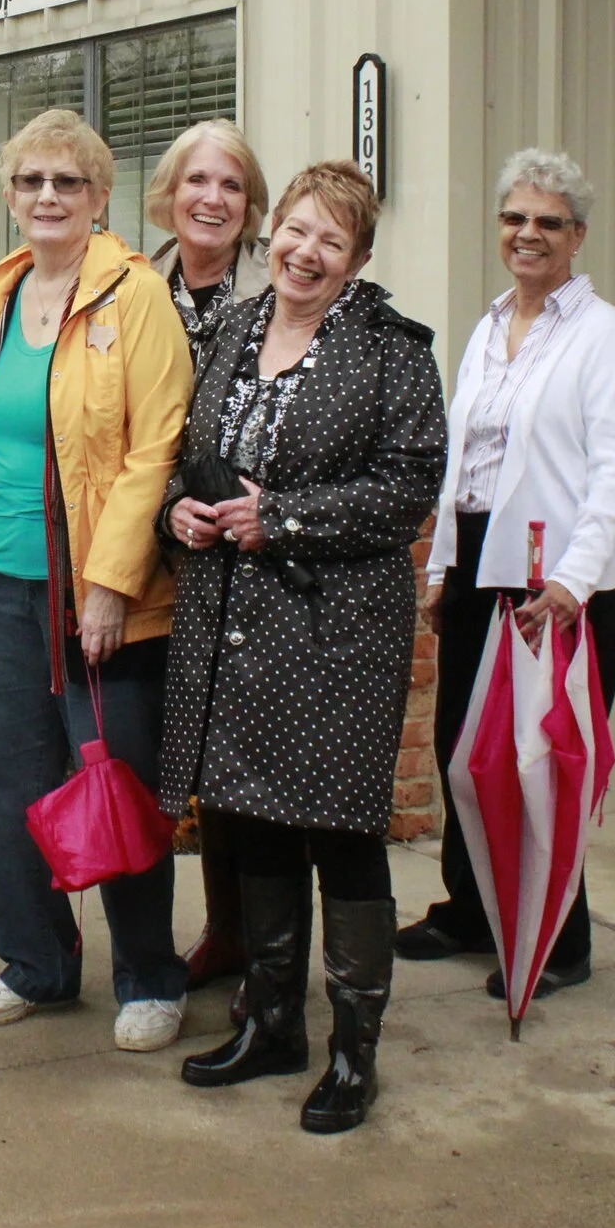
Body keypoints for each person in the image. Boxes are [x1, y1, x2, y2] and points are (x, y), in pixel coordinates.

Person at [158, 162, 446, 1133]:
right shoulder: (234, 329)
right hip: (236, 625)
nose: (306, 252)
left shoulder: (391, 349)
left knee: (341, 834)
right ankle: (271, 1021)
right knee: (260, 821)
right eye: (295, 229)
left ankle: (353, 1055)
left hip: (337, 631)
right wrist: (183, 512)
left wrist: (275, 518)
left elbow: (407, 486)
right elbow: (191, 458)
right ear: (270, 231)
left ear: (358, 258)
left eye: (332, 239)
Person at [0, 108, 194, 1052]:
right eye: (30, 182)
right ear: (8, 195)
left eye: (69, 182)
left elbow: (154, 445)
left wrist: (108, 582)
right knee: (12, 782)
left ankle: (147, 975)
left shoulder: (134, 296)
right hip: (4, 585)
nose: (47, 197)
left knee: (116, 779)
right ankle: (36, 964)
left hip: (98, 591)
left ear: (101, 197)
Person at [395, 148, 615, 1002]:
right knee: (466, 754)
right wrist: (440, 564)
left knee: (542, 760)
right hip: (480, 562)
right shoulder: (489, 323)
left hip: (560, 584)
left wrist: (572, 583)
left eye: (547, 221)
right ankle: (471, 909)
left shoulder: (605, 338)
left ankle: (560, 936)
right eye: (515, 217)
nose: (527, 234)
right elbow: (462, 458)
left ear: (577, 235)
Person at [143, 118, 272, 993]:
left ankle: (254, 938)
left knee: (245, 761)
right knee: (172, 750)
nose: (212, 199)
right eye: (198, 182)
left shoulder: (281, 285)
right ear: (170, 194)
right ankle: (213, 931)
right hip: (157, 542)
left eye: (231, 185)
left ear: (251, 204)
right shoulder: (132, 286)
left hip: (252, 551)